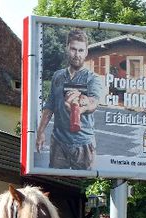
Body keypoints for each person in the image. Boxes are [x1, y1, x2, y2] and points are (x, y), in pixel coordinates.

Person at [35, 28, 105, 170]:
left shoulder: (93, 78)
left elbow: (93, 103)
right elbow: (50, 106)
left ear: (86, 52)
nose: (76, 55)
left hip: (84, 143)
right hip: (59, 143)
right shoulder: (57, 76)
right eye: (73, 49)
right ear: (67, 49)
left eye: (80, 51)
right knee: (57, 185)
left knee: (83, 188)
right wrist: (40, 132)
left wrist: (81, 108)